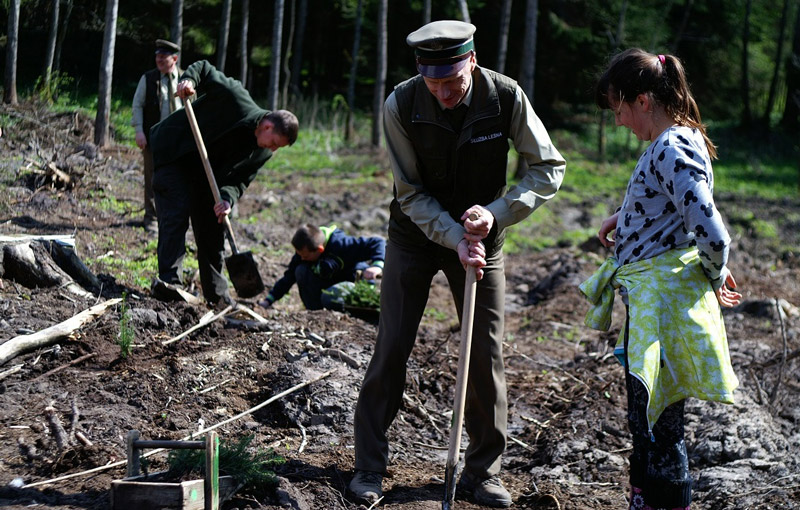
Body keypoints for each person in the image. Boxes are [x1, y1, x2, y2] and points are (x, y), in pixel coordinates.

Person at [348, 20, 566, 508]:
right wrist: (452, 236)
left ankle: (482, 473)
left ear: (473, 60)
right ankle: (368, 467)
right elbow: (409, 192)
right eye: (434, 84)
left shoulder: (506, 97)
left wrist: (497, 213)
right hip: (415, 235)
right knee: (392, 345)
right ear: (420, 73)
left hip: (484, 236)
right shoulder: (401, 104)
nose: (444, 94)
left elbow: (548, 168)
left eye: (454, 81)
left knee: (486, 354)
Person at [579, 48, 741, 510]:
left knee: (659, 424)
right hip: (655, 304)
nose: (618, 121)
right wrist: (624, 216)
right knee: (645, 418)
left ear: (643, 101)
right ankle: (644, 499)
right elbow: (672, 205)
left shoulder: (672, 146)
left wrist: (715, 272)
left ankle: (664, 503)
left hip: (666, 310)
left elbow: (711, 231)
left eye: (619, 109)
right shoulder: (672, 143)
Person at [149, 59, 299, 308]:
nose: (273, 150)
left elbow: (239, 180)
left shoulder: (262, 152)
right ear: (267, 126)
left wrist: (227, 199)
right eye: (274, 143)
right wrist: (188, 80)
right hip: (176, 154)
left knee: (212, 230)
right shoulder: (236, 99)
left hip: (207, 178)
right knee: (176, 215)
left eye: (277, 147)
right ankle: (169, 285)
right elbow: (204, 68)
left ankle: (217, 297)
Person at [257, 224, 385, 310]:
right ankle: (315, 313)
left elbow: (377, 242)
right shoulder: (302, 254)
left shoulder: (341, 244)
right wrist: (268, 300)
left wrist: (377, 266)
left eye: (305, 256)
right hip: (329, 282)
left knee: (328, 298)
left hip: (353, 283)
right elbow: (288, 278)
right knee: (300, 270)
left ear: (320, 249)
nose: (302, 258)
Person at [131, 39, 184, 234]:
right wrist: (139, 131)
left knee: (177, 180)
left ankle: (170, 217)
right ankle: (151, 218)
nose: (159, 60)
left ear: (174, 59)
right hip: (153, 138)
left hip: (179, 142)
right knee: (152, 179)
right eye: (157, 56)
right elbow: (137, 105)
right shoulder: (148, 78)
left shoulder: (186, 79)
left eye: (163, 57)